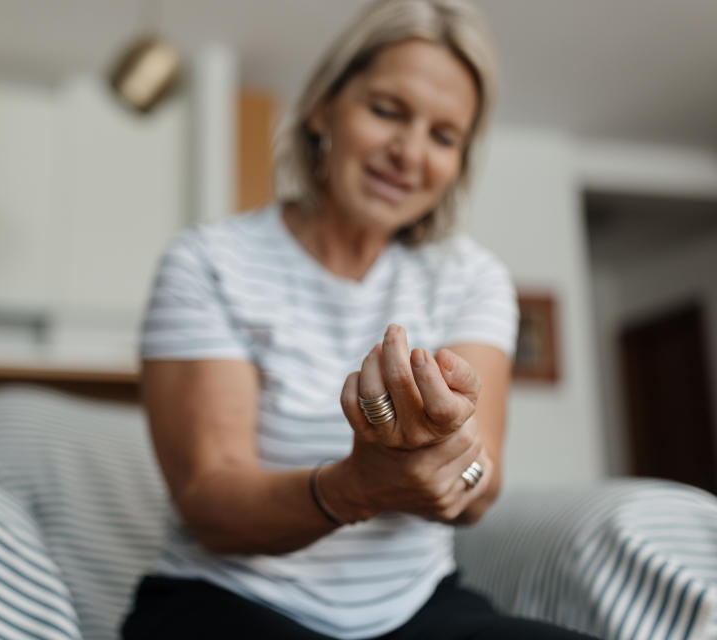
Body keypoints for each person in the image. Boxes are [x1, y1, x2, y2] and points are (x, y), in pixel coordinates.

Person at [122, 1, 596, 638]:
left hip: (414, 607)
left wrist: (456, 457)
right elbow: (211, 502)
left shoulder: (472, 278)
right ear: (323, 108)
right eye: (387, 111)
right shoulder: (209, 262)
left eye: (444, 135)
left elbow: (483, 484)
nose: (409, 152)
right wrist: (357, 485)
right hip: (230, 600)